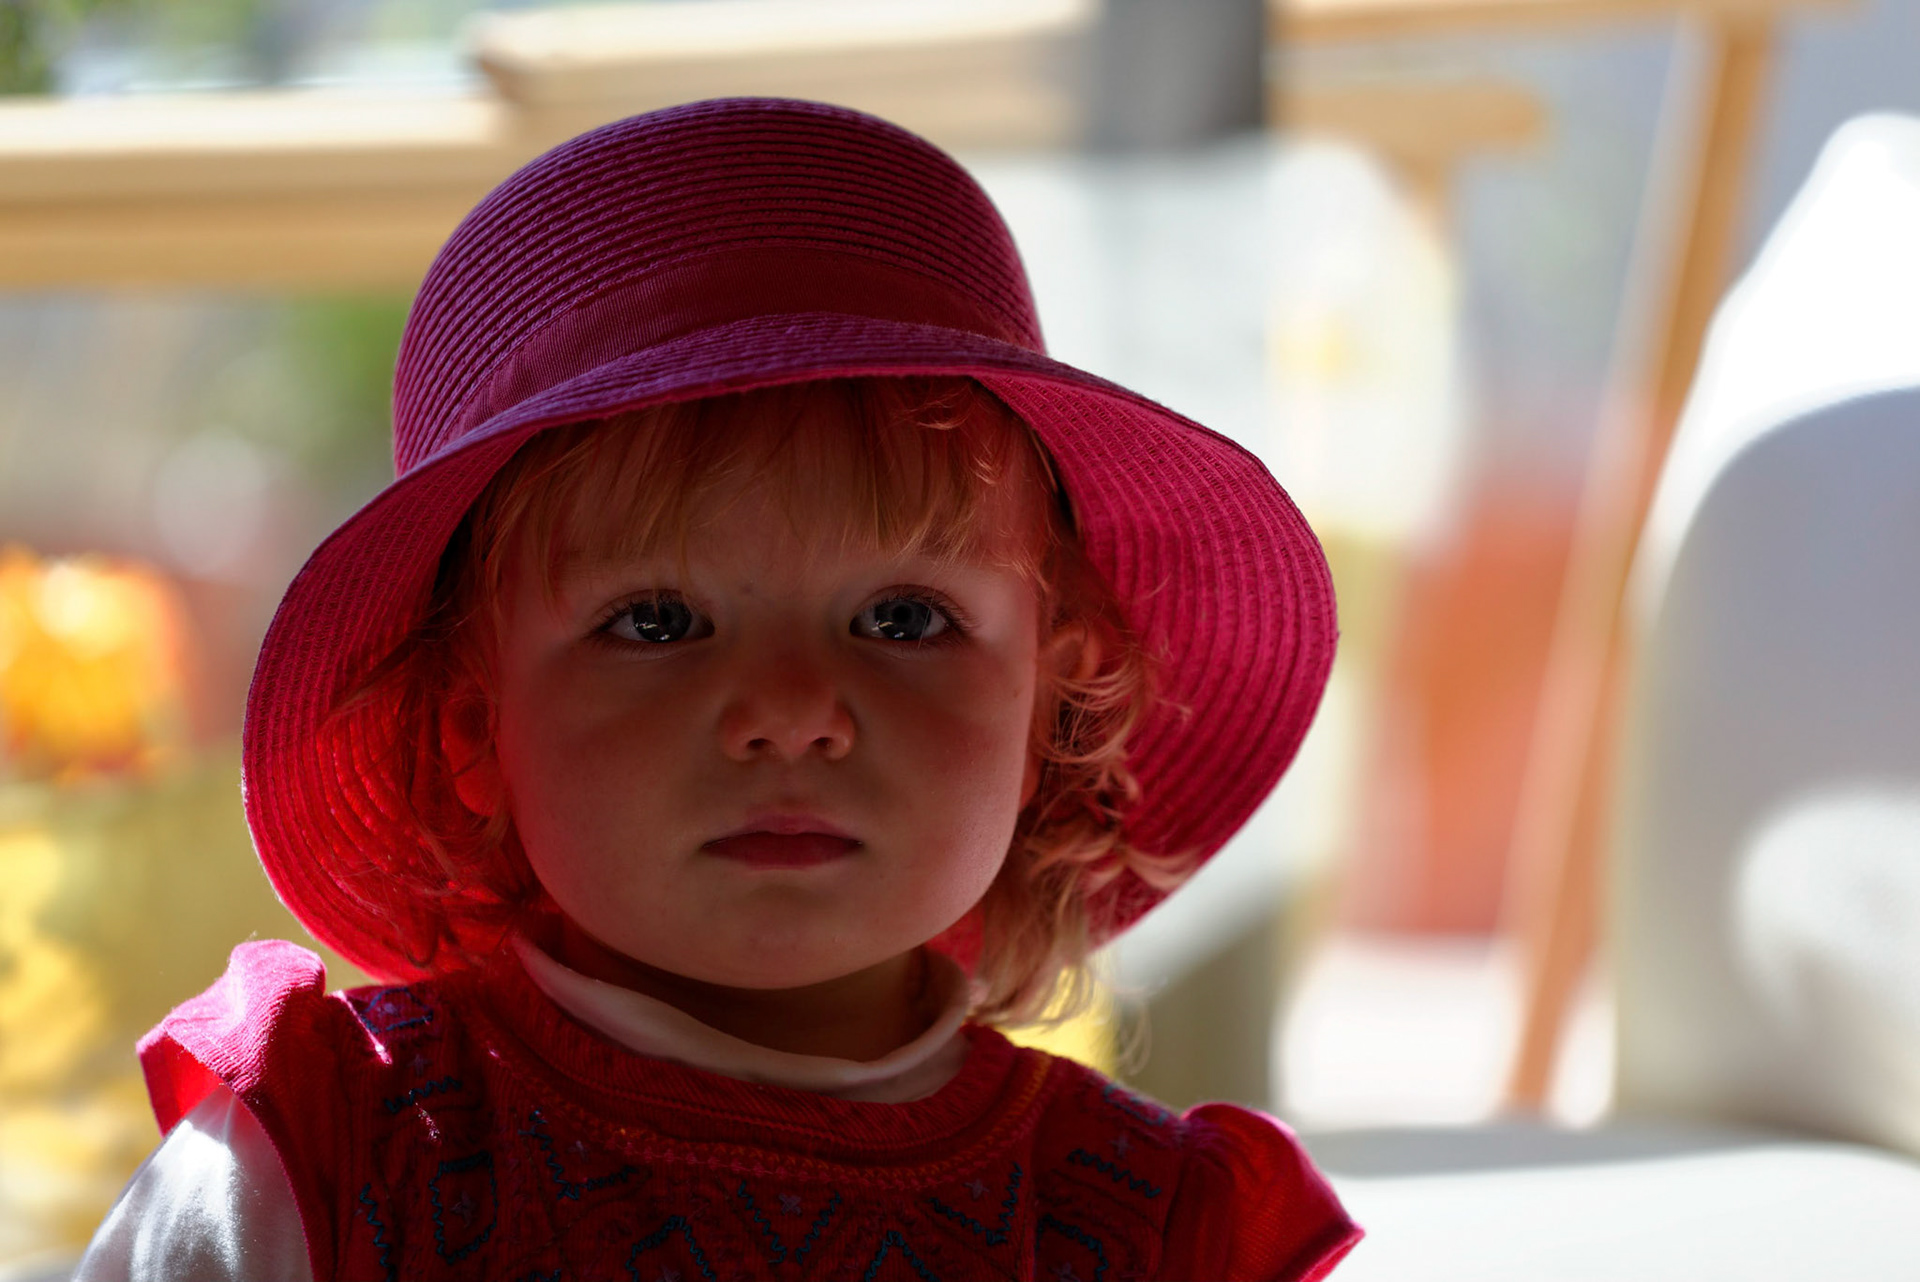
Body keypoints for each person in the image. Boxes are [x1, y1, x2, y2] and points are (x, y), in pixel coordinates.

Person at [75, 97, 1356, 1281]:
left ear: (1048, 707)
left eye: (903, 618)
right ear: (475, 727)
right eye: (657, 621)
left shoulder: (1152, 1229)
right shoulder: (330, 1156)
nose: (791, 712)